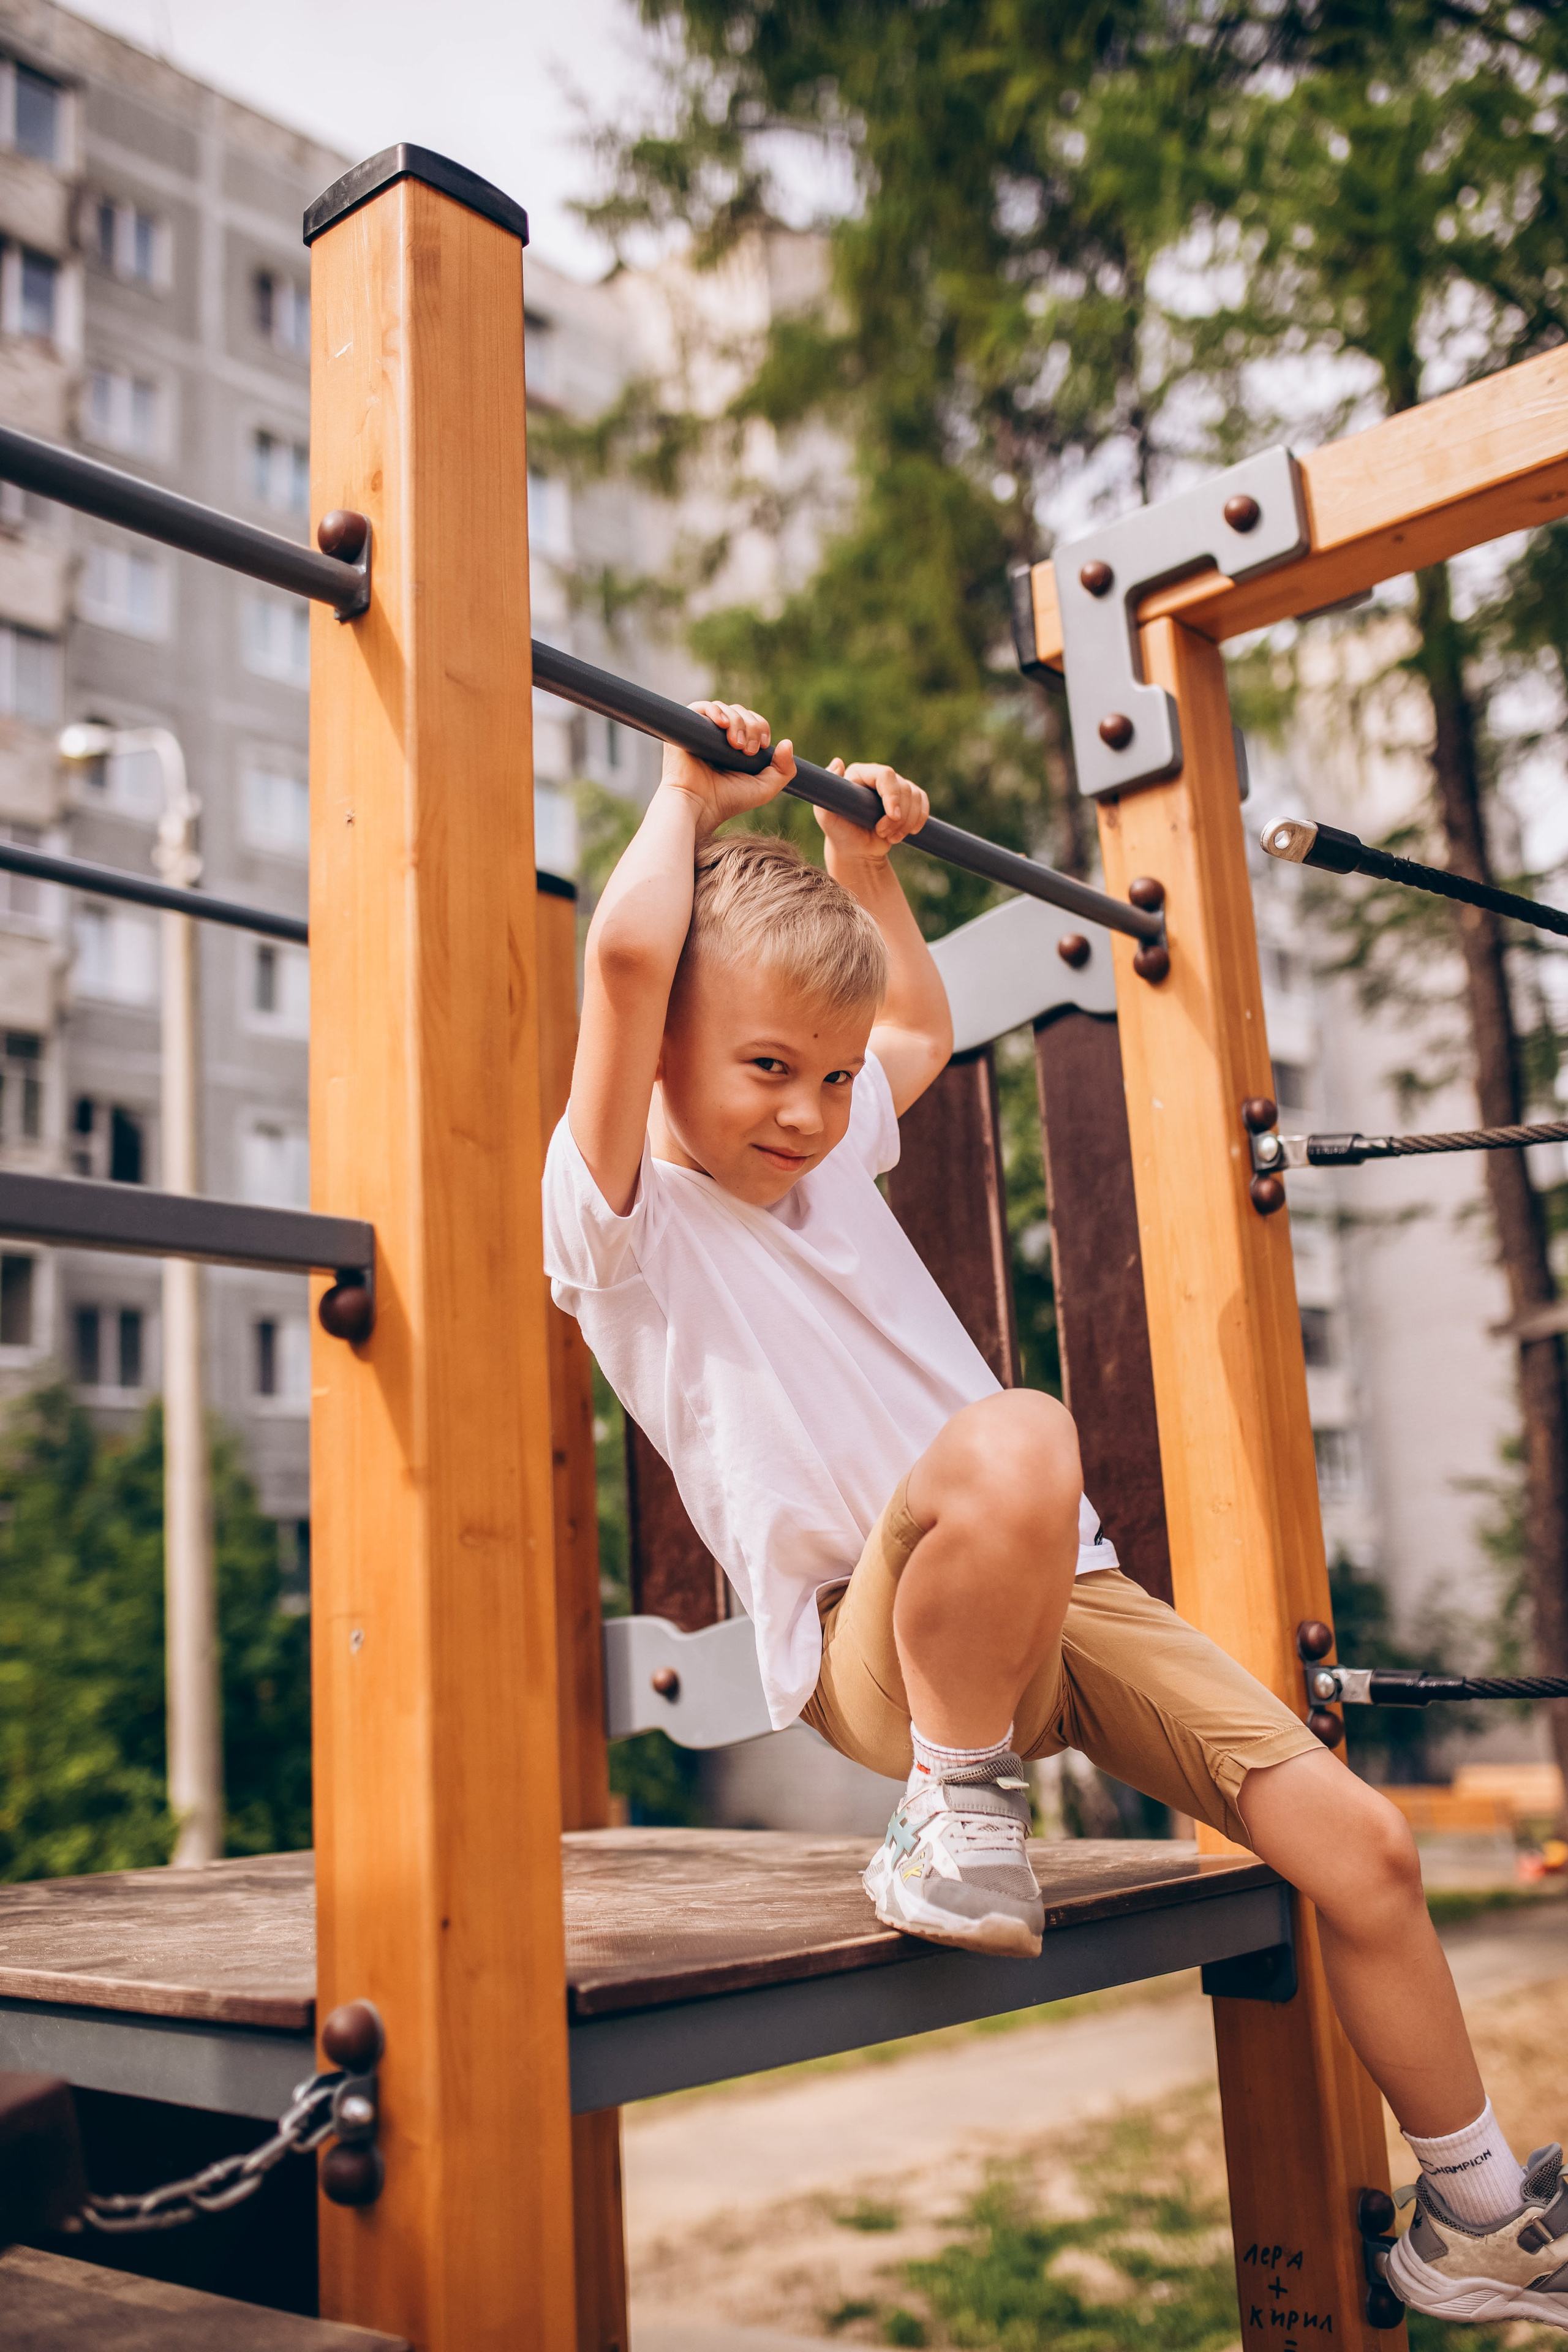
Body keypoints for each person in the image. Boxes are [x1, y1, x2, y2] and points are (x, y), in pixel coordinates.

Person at [542, 701, 1568, 2332]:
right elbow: (618, 964)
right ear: (665, 1040)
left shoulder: (830, 1158)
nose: (808, 1112)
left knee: (1364, 1848)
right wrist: (682, 796)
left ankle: (1480, 2214)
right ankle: (952, 1813)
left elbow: (915, 1028)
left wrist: (866, 869)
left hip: (1063, 1597)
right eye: (765, 1068)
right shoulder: (619, 1221)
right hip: (878, 1651)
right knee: (1020, 1433)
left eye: (825, 1078)